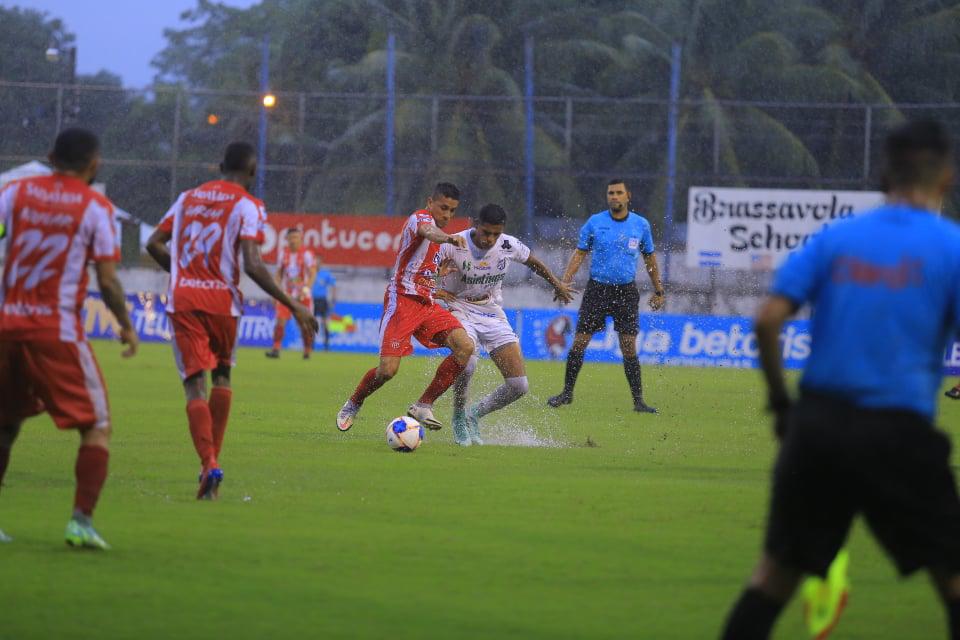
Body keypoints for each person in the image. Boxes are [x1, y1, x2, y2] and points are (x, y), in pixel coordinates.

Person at [721, 119, 960, 640]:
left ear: (884, 176)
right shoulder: (951, 247)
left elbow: (766, 320)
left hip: (819, 427)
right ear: (946, 177)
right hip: (901, 433)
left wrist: (781, 406)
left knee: (772, 578)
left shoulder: (836, 239)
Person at [147, 142, 318, 500]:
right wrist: (295, 305)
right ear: (253, 172)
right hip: (223, 303)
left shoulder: (186, 198)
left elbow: (153, 243)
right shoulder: (248, 205)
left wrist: (181, 272)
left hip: (184, 301)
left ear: (220, 164)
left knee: (194, 385)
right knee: (222, 375)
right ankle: (210, 466)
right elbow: (253, 264)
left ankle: (209, 463)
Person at [0, 128, 138, 549]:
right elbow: (108, 281)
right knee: (96, 425)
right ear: (94, 165)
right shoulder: (95, 207)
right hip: (55, 331)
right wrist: (126, 325)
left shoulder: (14, 193)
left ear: (49, 155)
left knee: (5, 424)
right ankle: (80, 521)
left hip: (5, 326)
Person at [336, 182, 474, 432]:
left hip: (427, 305)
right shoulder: (419, 219)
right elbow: (429, 231)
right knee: (388, 371)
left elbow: (426, 267)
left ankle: (424, 404)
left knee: (465, 347)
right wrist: (449, 237)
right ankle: (354, 402)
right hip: (402, 301)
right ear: (429, 202)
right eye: (443, 208)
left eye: (452, 211)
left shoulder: (443, 241)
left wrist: (437, 277)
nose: (447, 215)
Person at [434, 203, 575, 446]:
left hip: (491, 311)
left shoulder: (508, 244)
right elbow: (423, 272)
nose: (490, 239)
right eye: (486, 232)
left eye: (495, 234)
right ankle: (458, 414)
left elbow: (533, 262)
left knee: (519, 386)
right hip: (459, 308)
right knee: (466, 365)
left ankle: (473, 415)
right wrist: (436, 288)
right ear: (475, 225)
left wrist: (557, 284)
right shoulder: (453, 244)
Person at [547, 179, 665, 413]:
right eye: (611, 193)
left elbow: (649, 259)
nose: (614, 196)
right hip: (597, 291)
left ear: (627, 196)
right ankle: (567, 393)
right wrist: (564, 282)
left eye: (619, 192)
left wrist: (658, 290)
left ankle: (638, 401)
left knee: (628, 346)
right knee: (580, 342)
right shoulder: (595, 222)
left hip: (626, 292)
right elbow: (579, 254)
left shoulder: (640, 225)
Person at [266, 226, 316, 359]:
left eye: (296, 237)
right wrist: (275, 292)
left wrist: (305, 290)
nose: (293, 240)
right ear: (287, 239)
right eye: (291, 238)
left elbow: (312, 274)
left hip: (302, 296)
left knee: (304, 325)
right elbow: (279, 274)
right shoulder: (283, 253)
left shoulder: (306, 254)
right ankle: (276, 349)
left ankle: (307, 350)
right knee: (280, 321)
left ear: (300, 238)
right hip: (287, 294)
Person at [312, 256, 337, 351]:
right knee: (312, 322)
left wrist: (334, 297)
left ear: (321, 264)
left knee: (325, 322)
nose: (316, 264)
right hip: (312, 300)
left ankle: (326, 344)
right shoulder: (310, 272)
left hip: (322, 300)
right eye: (315, 263)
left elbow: (333, 284)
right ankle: (311, 344)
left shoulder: (325, 274)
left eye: (318, 263)